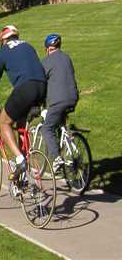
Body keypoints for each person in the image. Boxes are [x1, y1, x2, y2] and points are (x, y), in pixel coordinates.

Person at [0, 25, 46, 180]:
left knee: (4, 122)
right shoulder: (28, 46)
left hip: (25, 88)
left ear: (2, 40)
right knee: (21, 124)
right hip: (42, 87)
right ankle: (24, 170)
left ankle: (21, 160)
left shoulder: (2, 53)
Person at [41, 34, 79, 172]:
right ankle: (68, 139)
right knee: (59, 123)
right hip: (73, 98)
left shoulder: (46, 62)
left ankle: (56, 158)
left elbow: (41, 82)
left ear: (47, 49)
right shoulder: (67, 57)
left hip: (58, 101)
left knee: (46, 128)